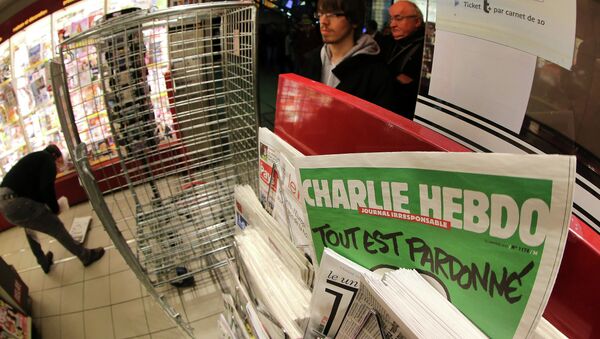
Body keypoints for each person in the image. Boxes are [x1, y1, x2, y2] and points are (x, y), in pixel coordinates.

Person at [0, 145, 105, 274]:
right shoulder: (48, 161)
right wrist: (54, 209)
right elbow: (46, 188)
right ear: (55, 156)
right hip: (16, 202)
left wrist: (45, 206)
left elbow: (34, 191)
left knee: (30, 230)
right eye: (59, 160)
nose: (59, 165)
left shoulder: (35, 159)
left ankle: (43, 262)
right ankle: (85, 256)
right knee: (55, 226)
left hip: (5, 204)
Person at [296, 0, 402, 115]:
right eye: (320, 14)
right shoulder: (311, 59)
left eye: (333, 14)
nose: (323, 21)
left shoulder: (376, 73)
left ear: (354, 20)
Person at [380, 0, 425, 119]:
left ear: (417, 21)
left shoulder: (426, 49)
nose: (392, 25)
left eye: (398, 18)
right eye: (391, 19)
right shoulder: (387, 42)